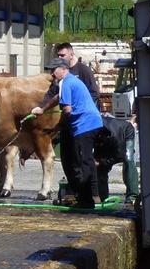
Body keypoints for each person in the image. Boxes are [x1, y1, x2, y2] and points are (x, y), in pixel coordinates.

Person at [33, 58, 103, 209]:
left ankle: (86, 200)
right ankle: (90, 196)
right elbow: (58, 98)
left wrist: (58, 126)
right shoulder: (70, 81)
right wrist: (43, 109)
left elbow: (67, 109)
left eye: (54, 70)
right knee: (84, 160)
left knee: (82, 162)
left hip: (85, 125)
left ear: (63, 69)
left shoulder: (66, 82)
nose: (51, 74)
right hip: (92, 122)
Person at [37, 42, 100, 109]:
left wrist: (80, 107)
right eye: (58, 55)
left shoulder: (83, 70)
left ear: (71, 55)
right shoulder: (59, 72)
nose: (59, 58)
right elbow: (51, 93)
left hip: (84, 112)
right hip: (69, 111)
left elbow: (94, 93)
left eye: (62, 55)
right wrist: (41, 107)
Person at [94, 115, 139, 204]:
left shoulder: (115, 137)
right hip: (105, 137)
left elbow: (119, 156)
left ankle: (132, 196)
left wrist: (104, 162)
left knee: (128, 159)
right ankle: (102, 195)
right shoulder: (93, 130)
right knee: (99, 165)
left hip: (125, 131)